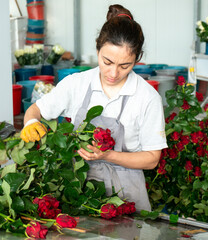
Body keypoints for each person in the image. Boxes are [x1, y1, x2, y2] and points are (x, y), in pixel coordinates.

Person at [20, 4, 167, 211]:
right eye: (107, 61)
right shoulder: (76, 84)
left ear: (137, 59)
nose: (114, 73)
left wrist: (107, 155)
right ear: (97, 49)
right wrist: (31, 122)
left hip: (128, 196)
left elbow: (152, 159)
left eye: (125, 66)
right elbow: (35, 110)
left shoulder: (147, 97)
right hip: (80, 192)